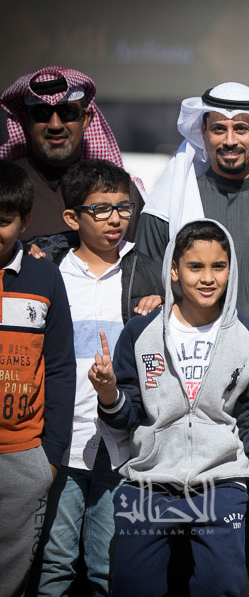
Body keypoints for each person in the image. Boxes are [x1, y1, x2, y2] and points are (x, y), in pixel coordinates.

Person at [135, 82, 249, 596]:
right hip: (187, 402)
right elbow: (143, 291)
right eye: (218, 129)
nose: (230, 139)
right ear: (203, 133)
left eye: (241, 128)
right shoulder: (175, 205)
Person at [93, 219, 249, 596]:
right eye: (195, 267)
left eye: (218, 266)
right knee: (133, 587)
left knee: (221, 585)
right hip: (149, 485)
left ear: (230, 270)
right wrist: (109, 393)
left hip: (221, 485)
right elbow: (126, 416)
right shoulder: (140, 334)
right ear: (174, 270)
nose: (208, 278)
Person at [32, 159, 163, 596]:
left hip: (120, 443)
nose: (115, 219)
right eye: (100, 209)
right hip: (61, 442)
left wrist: (161, 304)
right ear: (72, 218)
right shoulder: (50, 270)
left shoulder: (146, 270)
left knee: (109, 566)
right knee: (55, 563)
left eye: (123, 208)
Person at [0, 160, 75, 597]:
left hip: (24, 460)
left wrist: (48, 457)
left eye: (3, 221)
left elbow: (61, 366)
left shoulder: (44, 276)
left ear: (24, 222)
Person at [0, 66, 145, 251]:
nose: (55, 125)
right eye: (42, 113)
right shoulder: (5, 187)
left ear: (85, 119)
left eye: (67, 112)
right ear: (27, 120)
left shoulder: (124, 193)